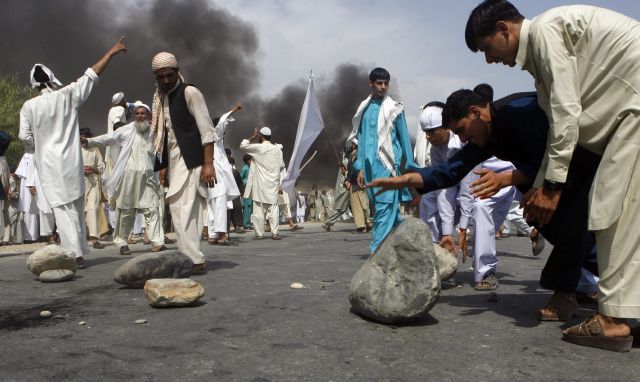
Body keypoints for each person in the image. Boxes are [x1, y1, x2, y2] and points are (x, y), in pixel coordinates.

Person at [465, 0, 639, 352]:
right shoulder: (541, 57)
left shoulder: (545, 33)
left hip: (632, 112)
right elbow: (558, 136)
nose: (488, 59)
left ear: (504, 29)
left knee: (611, 211)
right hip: (627, 114)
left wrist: (553, 187)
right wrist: (542, 185)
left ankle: (613, 322)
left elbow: (566, 115)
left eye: (487, 48)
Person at [369, 89, 600, 323]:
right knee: (550, 223)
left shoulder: (522, 112)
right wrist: (412, 179)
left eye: (460, 130)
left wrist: (507, 179)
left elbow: (559, 155)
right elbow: (453, 170)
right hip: (550, 180)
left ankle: (565, 293)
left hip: (584, 167)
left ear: (475, 112)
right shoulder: (486, 134)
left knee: (570, 221)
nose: (461, 139)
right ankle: (615, 279)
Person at [19, 37, 127, 268]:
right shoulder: (67, 95)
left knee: (62, 208)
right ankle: (78, 250)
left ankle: (74, 253)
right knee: (75, 206)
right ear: (51, 78)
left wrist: (36, 147)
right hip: (71, 161)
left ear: (34, 85)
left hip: (48, 163)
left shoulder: (29, 107)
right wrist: (112, 51)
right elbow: (92, 74)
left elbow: (24, 137)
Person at [150, 52, 217, 274]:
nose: (166, 80)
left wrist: (208, 164)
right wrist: (164, 168)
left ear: (177, 72)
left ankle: (194, 260)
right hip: (175, 162)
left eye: (169, 75)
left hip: (193, 161)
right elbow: (166, 136)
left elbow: (207, 130)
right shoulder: (161, 99)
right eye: (161, 77)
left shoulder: (190, 92)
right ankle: (188, 256)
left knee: (187, 208)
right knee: (178, 208)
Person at [347, 67, 417, 253]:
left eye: (386, 83)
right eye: (379, 83)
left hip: (388, 165)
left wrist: (410, 165)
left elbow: (404, 139)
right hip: (370, 167)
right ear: (371, 84)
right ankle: (395, 250)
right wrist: (360, 167)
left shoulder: (395, 109)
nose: (383, 87)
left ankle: (376, 250)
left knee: (385, 205)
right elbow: (361, 140)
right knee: (383, 208)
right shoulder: (365, 108)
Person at [84, 103, 166, 255]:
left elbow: (161, 153)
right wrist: (89, 141)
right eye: (138, 113)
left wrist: (162, 171)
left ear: (149, 116)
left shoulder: (155, 132)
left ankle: (157, 241)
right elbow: (108, 138)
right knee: (126, 211)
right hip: (129, 177)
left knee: (152, 209)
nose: (140, 116)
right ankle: (122, 242)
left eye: (143, 113)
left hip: (148, 178)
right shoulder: (127, 130)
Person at [240, 127, 285, 240]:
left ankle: (259, 234)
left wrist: (252, 136)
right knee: (273, 207)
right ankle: (275, 233)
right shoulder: (277, 150)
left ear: (261, 136)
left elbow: (243, 146)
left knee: (258, 209)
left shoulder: (259, 148)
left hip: (261, 184)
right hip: (273, 183)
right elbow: (281, 165)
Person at [206, 104, 242, 246]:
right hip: (217, 177)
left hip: (210, 177)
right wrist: (233, 110)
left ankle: (212, 235)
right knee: (220, 205)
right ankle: (222, 236)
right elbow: (221, 123)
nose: (224, 134)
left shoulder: (207, 140)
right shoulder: (215, 137)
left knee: (211, 206)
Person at [80, 128, 106, 249]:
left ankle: (94, 238)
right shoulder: (73, 150)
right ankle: (78, 239)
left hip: (93, 183)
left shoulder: (95, 149)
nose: (83, 139)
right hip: (78, 184)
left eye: (86, 137)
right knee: (79, 211)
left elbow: (100, 168)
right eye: (81, 137)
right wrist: (81, 170)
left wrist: (93, 169)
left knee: (93, 209)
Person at [344, 139, 371, 233]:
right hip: (363, 181)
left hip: (355, 182)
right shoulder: (362, 154)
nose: (351, 145)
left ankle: (361, 226)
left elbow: (353, 169)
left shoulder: (354, 156)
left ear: (355, 145)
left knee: (356, 205)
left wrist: (348, 180)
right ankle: (367, 222)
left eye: (353, 143)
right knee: (364, 202)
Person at [240, 154, 253, 230]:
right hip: (247, 189)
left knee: (251, 207)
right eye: (251, 160)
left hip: (252, 189)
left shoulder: (251, 167)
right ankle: (246, 224)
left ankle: (248, 223)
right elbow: (240, 178)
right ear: (247, 160)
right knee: (247, 207)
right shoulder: (245, 168)